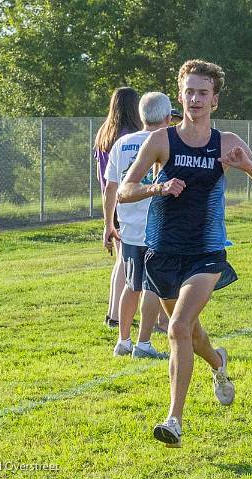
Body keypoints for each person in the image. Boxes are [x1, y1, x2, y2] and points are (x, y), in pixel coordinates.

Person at [118, 59, 252, 448]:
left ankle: (174, 420)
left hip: (206, 253)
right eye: (189, 91)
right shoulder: (161, 141)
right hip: (163, 252)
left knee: (176, 328)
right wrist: (158, 188)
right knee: (190, 331)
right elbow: (125, 190)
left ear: (215, 100)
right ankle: (219, 363)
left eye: (202, 93)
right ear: (180, 95)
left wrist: (246, 168)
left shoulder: (227, 143)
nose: (195, 99)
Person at [104, 92, 174, 360]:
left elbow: (111, 187)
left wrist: (109, 223)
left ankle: (123, 341)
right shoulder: (166, 141)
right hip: (157, 226)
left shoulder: (122, 143)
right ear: (168, 118)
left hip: (129, 225)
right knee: (153, 287)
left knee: (131, 285)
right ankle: (144, 344)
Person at [94, 87, 142, 328]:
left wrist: (107, 217)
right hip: (129, 202)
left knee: (121, 260)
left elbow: (102, 179)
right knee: (126, 261)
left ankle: (113, 312)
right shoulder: (131, 136)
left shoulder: (104, 133)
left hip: (111, 202)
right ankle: (116, 315)